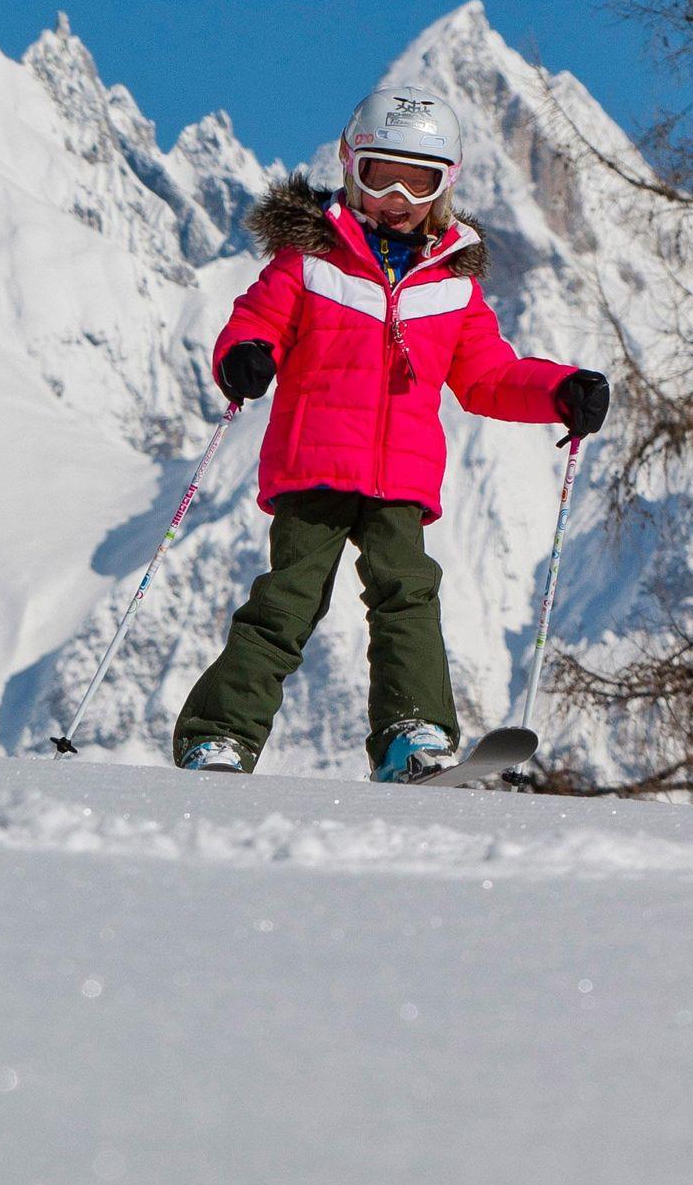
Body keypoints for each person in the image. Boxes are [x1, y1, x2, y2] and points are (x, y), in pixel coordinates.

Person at [173, 86, 611, 781]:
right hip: (314, 464)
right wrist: (245, 354)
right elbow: (256, 320)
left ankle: (414, 735)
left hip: (400, 477)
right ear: (351, 167)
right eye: (381, 176)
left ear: (446, 185)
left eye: (420, 181)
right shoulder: (311, 260)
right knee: (287, 601)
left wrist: (557, 390)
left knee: (408, 595)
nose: (398, 197)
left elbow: (488, 376)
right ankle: (218, 736)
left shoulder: (452, 286)